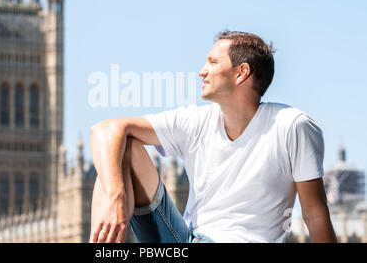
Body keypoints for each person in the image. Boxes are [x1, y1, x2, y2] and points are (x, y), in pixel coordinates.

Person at [88, 31, 337, 243]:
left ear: (241, 73)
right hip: (189, 240)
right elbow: (104, 130)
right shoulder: (196, 121)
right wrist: (115, 196)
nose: (201, 71)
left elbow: (315, 214)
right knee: (121, 148)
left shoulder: (292, 126)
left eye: (213, 62)